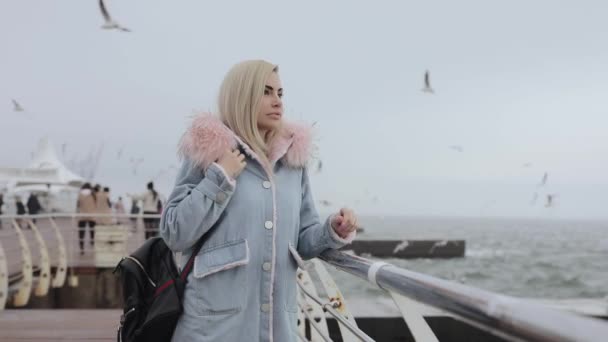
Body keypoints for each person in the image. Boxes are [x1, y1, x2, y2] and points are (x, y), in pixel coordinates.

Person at [160, 60, 358, 342]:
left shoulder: (293, 163)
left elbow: (302, 238)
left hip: (278, 330)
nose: (277, 101)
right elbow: (174, 232)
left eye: (280, 93)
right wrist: (220, 176)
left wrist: (333, 230)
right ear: (242, 95)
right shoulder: (209, 150)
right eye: (266, 92)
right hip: (212, 332)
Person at [76, 183, 97, 254]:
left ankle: (82, 248)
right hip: (92, 216)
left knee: (81, 233)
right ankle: (92, 243)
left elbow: (78, 205)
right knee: (92, 232)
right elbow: (96, 204)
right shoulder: (93, 194)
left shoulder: (80, 194)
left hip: (82, 216)